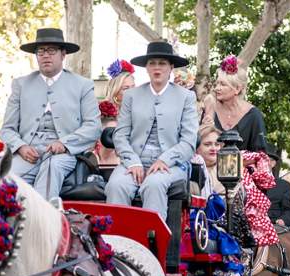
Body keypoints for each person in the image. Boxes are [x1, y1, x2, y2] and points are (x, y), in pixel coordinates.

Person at [0, 28, 101, 201]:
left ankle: (41, 223)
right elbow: (7, 129)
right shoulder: (21, 85)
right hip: (27, 154)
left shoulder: (82, 85)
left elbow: (94, 127)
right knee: (4, 181)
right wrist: (21, 147)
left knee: (51, 170)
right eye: (41, 51)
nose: (45, 55)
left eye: (51, 51)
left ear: (63, 54)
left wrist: (64, 143)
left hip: (64, 154)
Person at [106, 41, 198, 219]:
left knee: (153, 185)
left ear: (171, 67)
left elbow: (188, 141)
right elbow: (120, 135)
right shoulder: (132, 95)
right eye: (152, 63)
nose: (157, 68)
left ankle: (153, 244)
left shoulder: (186, 97)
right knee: (116, 185)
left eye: (162, 63)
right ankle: (117, 243)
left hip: (171, 164)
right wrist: (132, 161)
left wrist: (165, 160)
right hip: (134, 161)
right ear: (146, 68)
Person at [200, 54, 267, 152]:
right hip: (212, 166)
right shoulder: (210, 108)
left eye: (222, 84)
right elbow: (200, 145)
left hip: (244, 166)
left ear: (237, 89)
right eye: (217, 83)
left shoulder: (254, 115)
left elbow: (260, 154)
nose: (217, 88)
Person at [93, 59, 136, 168]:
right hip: (109, 160)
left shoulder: (139, 109)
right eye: (126, 88)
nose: (132, 92)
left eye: (133, 87)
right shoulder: (105, 111)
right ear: (116, 91)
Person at [191, 124, 225, 197]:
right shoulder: (189, 169)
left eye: (217, 144)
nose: (213, 148)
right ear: (196, 146)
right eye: (207, 144)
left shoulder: (227, 170)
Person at [265, 144, 290, 227]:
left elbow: (289, 209)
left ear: (273, 163)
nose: (262, 163)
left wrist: (283, 220)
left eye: (266, 160)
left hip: (275, 225)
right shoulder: (250, 183)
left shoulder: (283, 185)